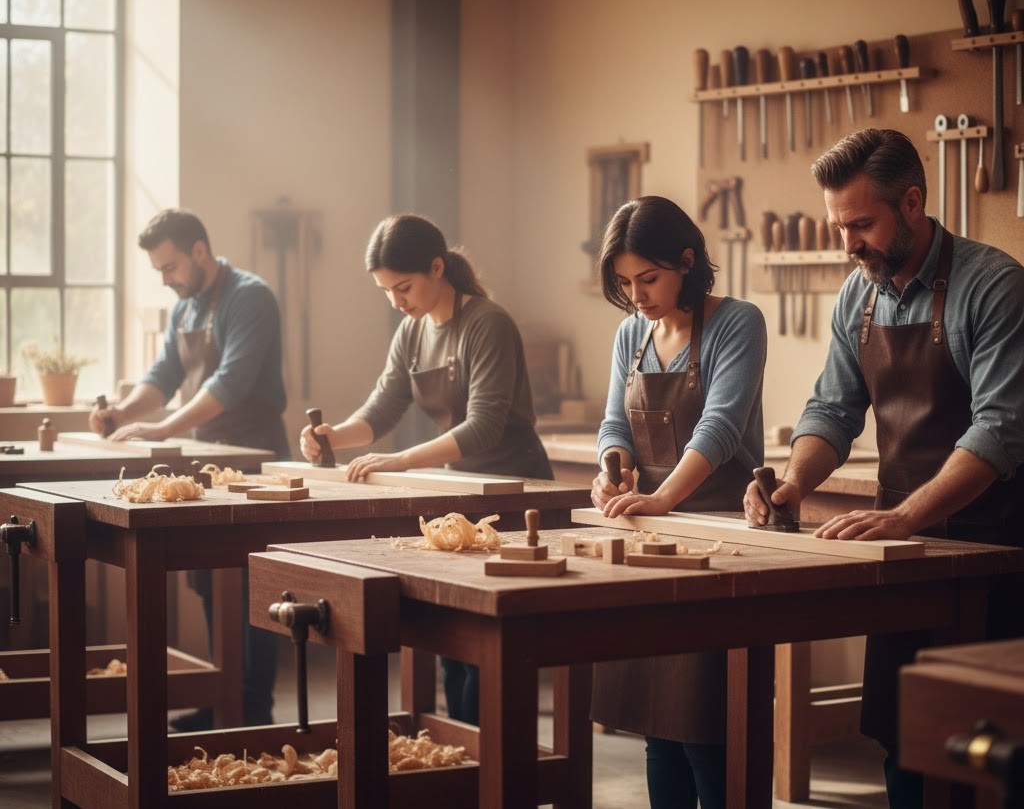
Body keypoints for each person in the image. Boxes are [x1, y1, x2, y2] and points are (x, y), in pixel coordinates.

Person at [743, 129, 1024, 809]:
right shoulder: (857, 294)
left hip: (996, 540)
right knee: (906, 736)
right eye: (838, 226)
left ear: (912, 203)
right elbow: (832, 409)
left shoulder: (995, 285)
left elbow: (1001, 428)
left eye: (862, 225)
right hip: (905, 547)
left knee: (993, 746)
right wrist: (794, 484)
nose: (849, 244)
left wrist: (902, 516)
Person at [299, 212, 552, 723]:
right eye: (387, 292)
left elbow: (483, 427)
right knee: (452, 641)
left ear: (438, 268)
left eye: (404, 287)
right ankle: (459, 752)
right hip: (460, 491)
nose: (397, 302)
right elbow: (382, 409)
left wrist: (400, 460)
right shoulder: (412, 331)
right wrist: (334, 436)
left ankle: (488, 755)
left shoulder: (487, 323)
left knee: (488, 644)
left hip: (511, 488)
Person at [589, 195, 767, 809]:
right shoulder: (631, 334)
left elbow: (720, 428)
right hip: (653, 537)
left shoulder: (738, 322)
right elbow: (614, 425)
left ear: (687, 262)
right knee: (658, 724)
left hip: (724, 540)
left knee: (709, 724)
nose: (636, 296)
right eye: (625, 283)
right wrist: (612, 472)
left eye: (648, 279)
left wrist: (662, 497)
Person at [90, 208, 289, 730]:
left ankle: (253, 705)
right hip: (207, 457)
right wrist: (121, 414)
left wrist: (161, 430)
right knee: (210, 576)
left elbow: (230, 383)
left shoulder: (250, 297)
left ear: (199, 251)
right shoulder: (185, 307)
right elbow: (163, 376)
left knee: (250, 581)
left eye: (170, 266)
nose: (165, 279)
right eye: (158, 270)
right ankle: (224, 698)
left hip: (253, 458)